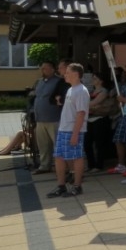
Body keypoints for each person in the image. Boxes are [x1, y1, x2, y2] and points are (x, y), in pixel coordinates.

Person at [47, 63, 90, 198]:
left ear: (76, 74)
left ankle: (77, 186)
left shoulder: (81, 91)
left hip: (73, 129)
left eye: (67, 72)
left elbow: (81, 113)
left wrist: (75, 134)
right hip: (63, 128)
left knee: (76, 157)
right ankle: (61, 186)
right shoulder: (71, 89)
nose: (65, 75)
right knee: (59, 157)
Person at [32, 61, 68, 174]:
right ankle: (44, 165)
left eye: (45, 68)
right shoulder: (39, 81)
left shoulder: (59, 81)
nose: (42, 70)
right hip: (40, 119)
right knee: (43, 145)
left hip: (54, 118)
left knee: (58, 144)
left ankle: (62, 167)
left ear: (52, 69)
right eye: (42, 68)